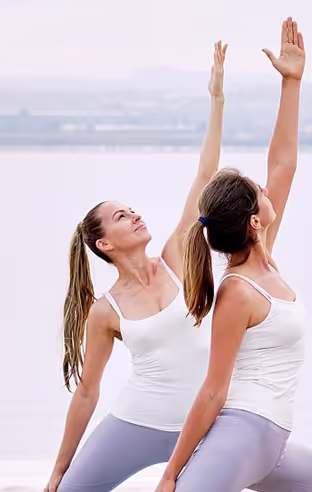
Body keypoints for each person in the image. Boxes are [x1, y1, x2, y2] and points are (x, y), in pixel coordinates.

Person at [154, 18, 312, 492]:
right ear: (254, 220)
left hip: (271, 442)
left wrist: (291, 83)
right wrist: (171, 475)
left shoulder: (265, 257)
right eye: (259, 190)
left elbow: (284, 163)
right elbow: (213, 389)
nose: (267, 185)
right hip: (241, 433)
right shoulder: (237, 292)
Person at [45, 41, 227, 492]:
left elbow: (205, 177)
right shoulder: (106, 311)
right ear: (104, 243)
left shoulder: (175, 260)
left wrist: (216, 99)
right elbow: (88, 392)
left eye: (133, 209)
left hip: (204, 425)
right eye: (121, 216)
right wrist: (58, 470)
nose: (135, 215)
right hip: (138, 420)